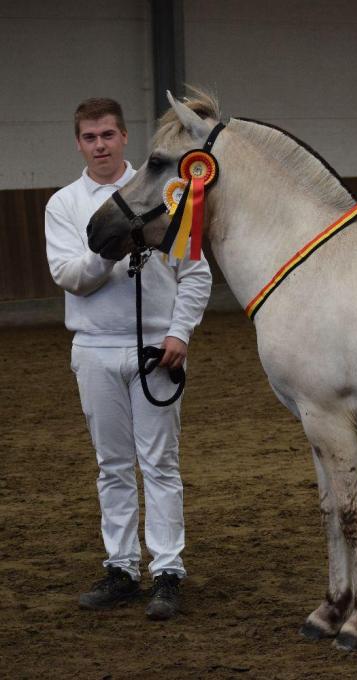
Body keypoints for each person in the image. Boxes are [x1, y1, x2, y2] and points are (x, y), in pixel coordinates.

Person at [44, 98, 212, 620]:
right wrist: (109, 250)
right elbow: (69, 276)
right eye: (90, 137)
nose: (100, 145)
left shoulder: (168, 193)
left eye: (108, 135)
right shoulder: (64, 204)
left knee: (160, 463)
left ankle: (167, 571)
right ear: (79, 143)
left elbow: (196, 272)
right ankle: (120, 567)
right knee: (112, 465)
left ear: (123, 138)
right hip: (94, 348)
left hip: (156, 349)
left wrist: (179, 333)